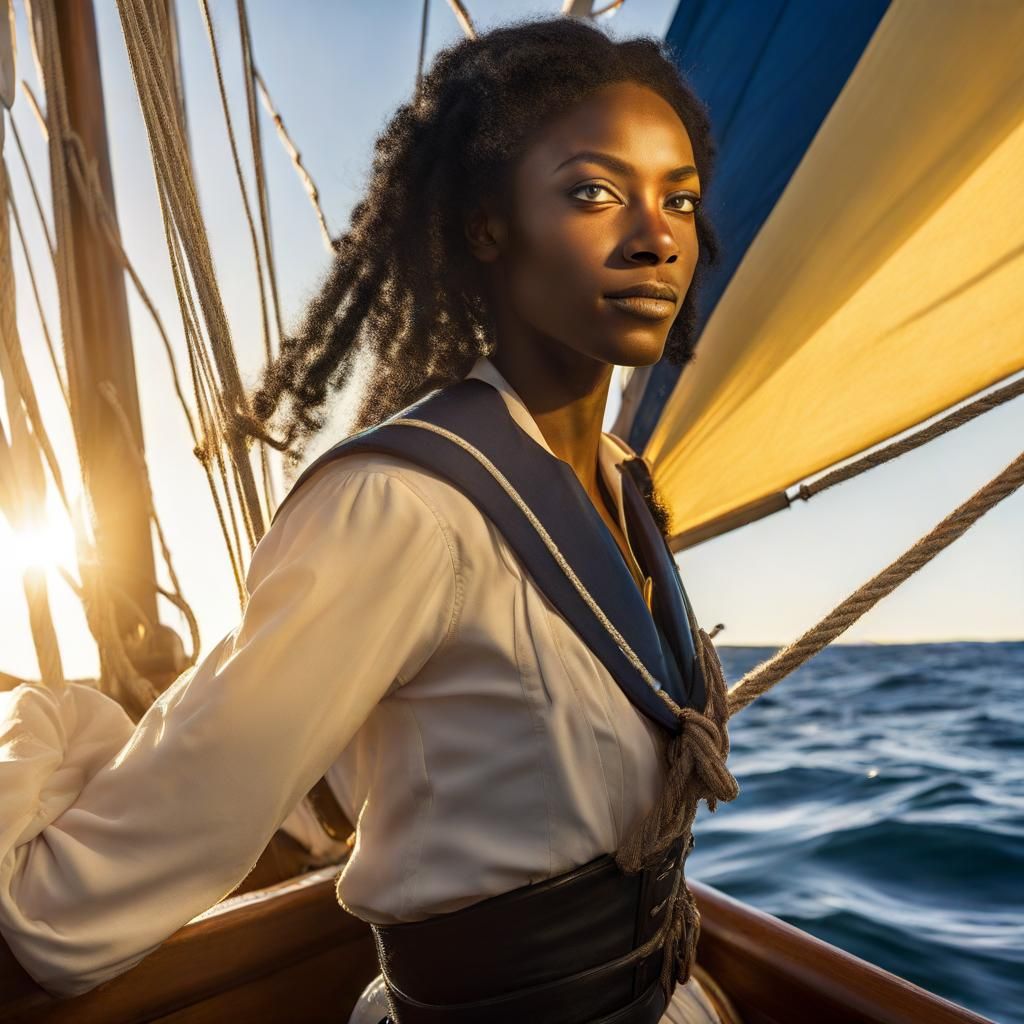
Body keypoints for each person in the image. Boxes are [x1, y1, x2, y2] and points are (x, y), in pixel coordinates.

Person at [0, 16, 736, 1023]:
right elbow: (89, 897)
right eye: (595, 193)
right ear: (486, 223)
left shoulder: (619, 482)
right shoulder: (395, 506)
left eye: (679, 199)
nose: (656, 236)